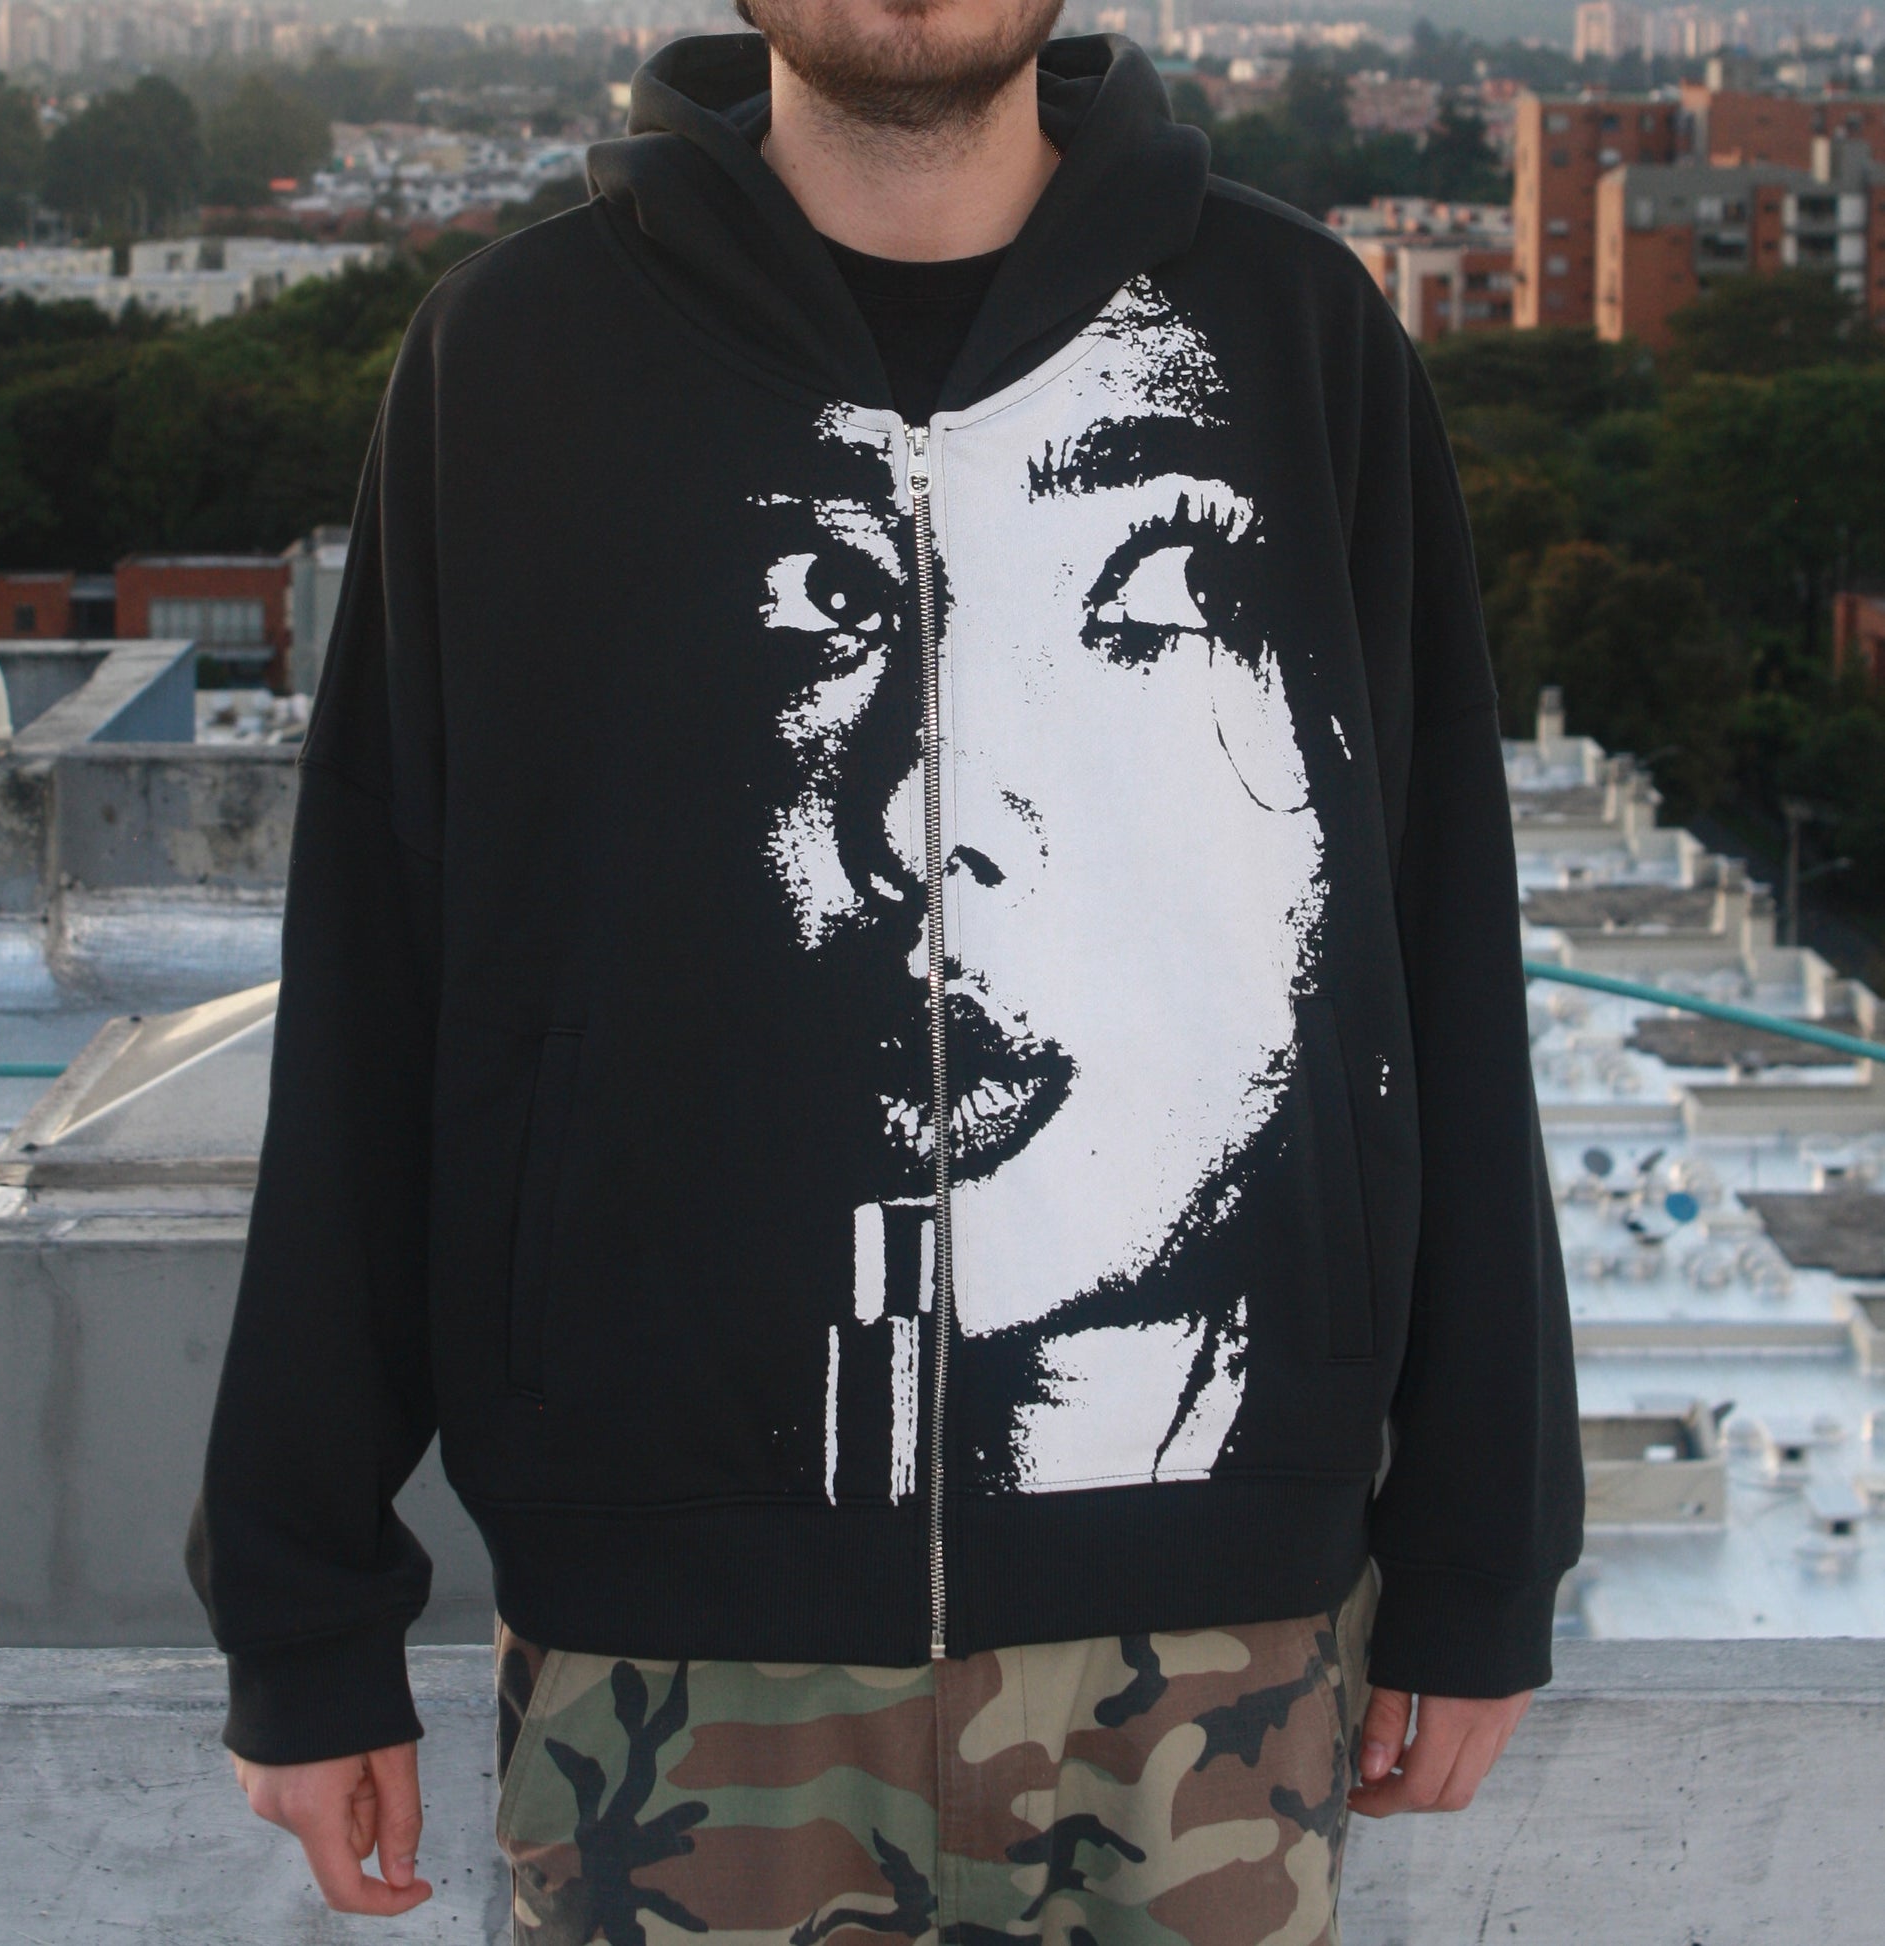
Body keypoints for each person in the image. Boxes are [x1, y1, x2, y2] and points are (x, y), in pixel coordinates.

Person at [186, 3, 1584, 1939]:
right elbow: (380, 978)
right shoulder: (520, 354)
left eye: (1150, 597)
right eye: (814, 602)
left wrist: (1480, 1554)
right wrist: (300, 1610)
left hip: (1219, 1649)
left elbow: (1432, 942)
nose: (923, 820)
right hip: (661, 1653)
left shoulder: (1292, 331)